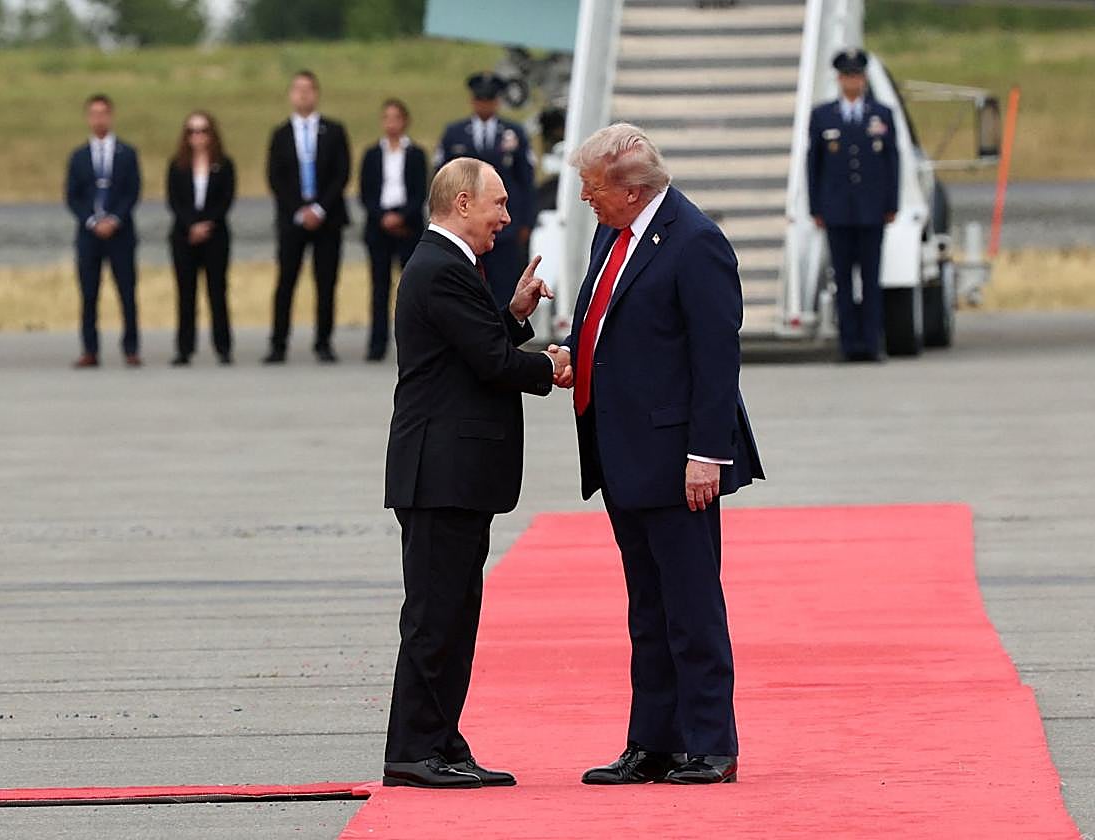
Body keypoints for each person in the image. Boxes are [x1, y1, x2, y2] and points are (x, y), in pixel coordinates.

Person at [558, 123, 764, 785]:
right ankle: (653, 740)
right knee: (647, 608)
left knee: (691, 605)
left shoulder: (696, 242)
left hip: (679, 458)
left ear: (631, 187)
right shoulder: (611, 232)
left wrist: (708, 453)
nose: (586, 199)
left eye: (592, 189)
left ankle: (710, 743)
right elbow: (604, 319)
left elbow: (716, 359)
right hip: (620, 451)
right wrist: (569, 352)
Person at [381, 158, 567, 789]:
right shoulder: (440, 267)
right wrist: (552, 367)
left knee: (455, 613)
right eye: (500, 204)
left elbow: (474, 347)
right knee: (436, 615)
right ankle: (413, 749)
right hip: (440, 472)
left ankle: (440, 739)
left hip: (452, 473)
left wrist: (513, 315)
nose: (507, 218)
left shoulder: (451, 267)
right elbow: (491, 363)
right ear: (463, 204)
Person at [807, 47, 900, 362]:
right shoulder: (823, 116)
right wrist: (815, 208)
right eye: (847, 76)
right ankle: (848, 344)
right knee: (843, 281)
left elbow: (891, 163)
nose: (852, 82)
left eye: (857, 76)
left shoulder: (881, 115)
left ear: (864, 79)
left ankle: (872, 343)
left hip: (872, 210)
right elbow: (814, 165)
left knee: (871, 280)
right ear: (839, 79)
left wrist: (891, 203)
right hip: (837, 211)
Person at [264, 70, 351, 364]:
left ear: (317, 93)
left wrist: (319, 208)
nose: (303, 94)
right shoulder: (280, 133)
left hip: (327, 217)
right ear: (291, 94)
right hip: (292, 219)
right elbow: (275, 177)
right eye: (298, 89)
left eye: (309, 89)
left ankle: (324, 341)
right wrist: (298, 209)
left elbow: (342, 173)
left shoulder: (334, 130)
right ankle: (278, 343)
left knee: (326, 281)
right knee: (286, 280)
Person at [434, 72, 535, 310]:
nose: (485, 104)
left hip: (505, 227)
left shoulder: (514, 133)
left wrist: (526, 222)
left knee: (504, 288)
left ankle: (504, 340)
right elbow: (441, 181)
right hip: (465, 226)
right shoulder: (455, 133)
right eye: (480, 99)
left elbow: (526, 180)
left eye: (489, 99)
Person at [64, 93, 142, 368]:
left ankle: (131, 347)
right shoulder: (79, 156)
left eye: (103, 113)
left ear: (111, 116)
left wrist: (115, 219)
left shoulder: (126, 153)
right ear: (88, 118)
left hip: (120, 233)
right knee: (88, 293)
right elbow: (72, 196)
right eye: (94, 114)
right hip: (89, 235)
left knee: (127, 291)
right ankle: (90, 349)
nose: (99, 119)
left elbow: (133, 192)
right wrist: (92, 221)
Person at [359, 98, 428, 361]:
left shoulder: (416, 154)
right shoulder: (372, 154)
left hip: (407, 225)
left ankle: (415, 343)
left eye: (396, 118)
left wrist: (402, 216)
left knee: (411, 288)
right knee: (379, 286)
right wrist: (382, 217)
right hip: (378, 225)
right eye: (387, 118)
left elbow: (420, 191)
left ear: (405, 121)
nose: (392, 123)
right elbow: (366, 192)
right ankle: (376, 344)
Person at [166, 110, 236, 366]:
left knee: (217, 292)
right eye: (192, 131)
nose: (198, 136)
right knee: (186, 293)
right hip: (184, 237)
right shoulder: (177, 165)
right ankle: (184, 348)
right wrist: (191, 225)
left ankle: (223, 347)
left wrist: (207, 224)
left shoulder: (224, 165)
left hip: (215, 236)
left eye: (203, 130)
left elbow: (226, 199)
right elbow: (174, 200)